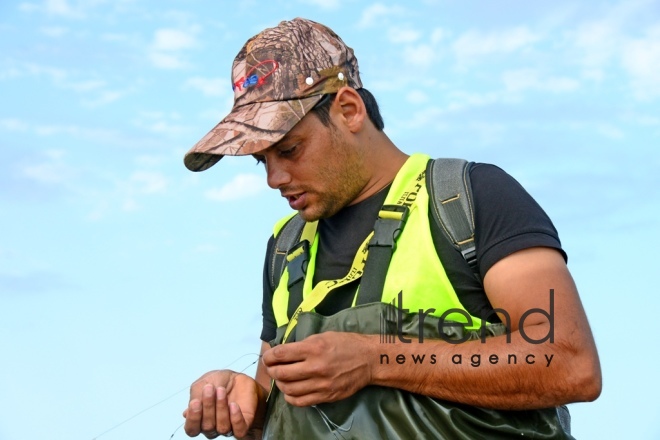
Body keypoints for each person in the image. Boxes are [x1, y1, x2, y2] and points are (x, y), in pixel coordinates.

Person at [181, 18, 601, 439]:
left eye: (290, 149)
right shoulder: (286, 249)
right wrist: (248, 407)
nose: (274, 177)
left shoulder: (472, 198)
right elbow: (284, 412)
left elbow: (570, 364)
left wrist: (378, 359)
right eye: (261, 160)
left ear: (349, 110)